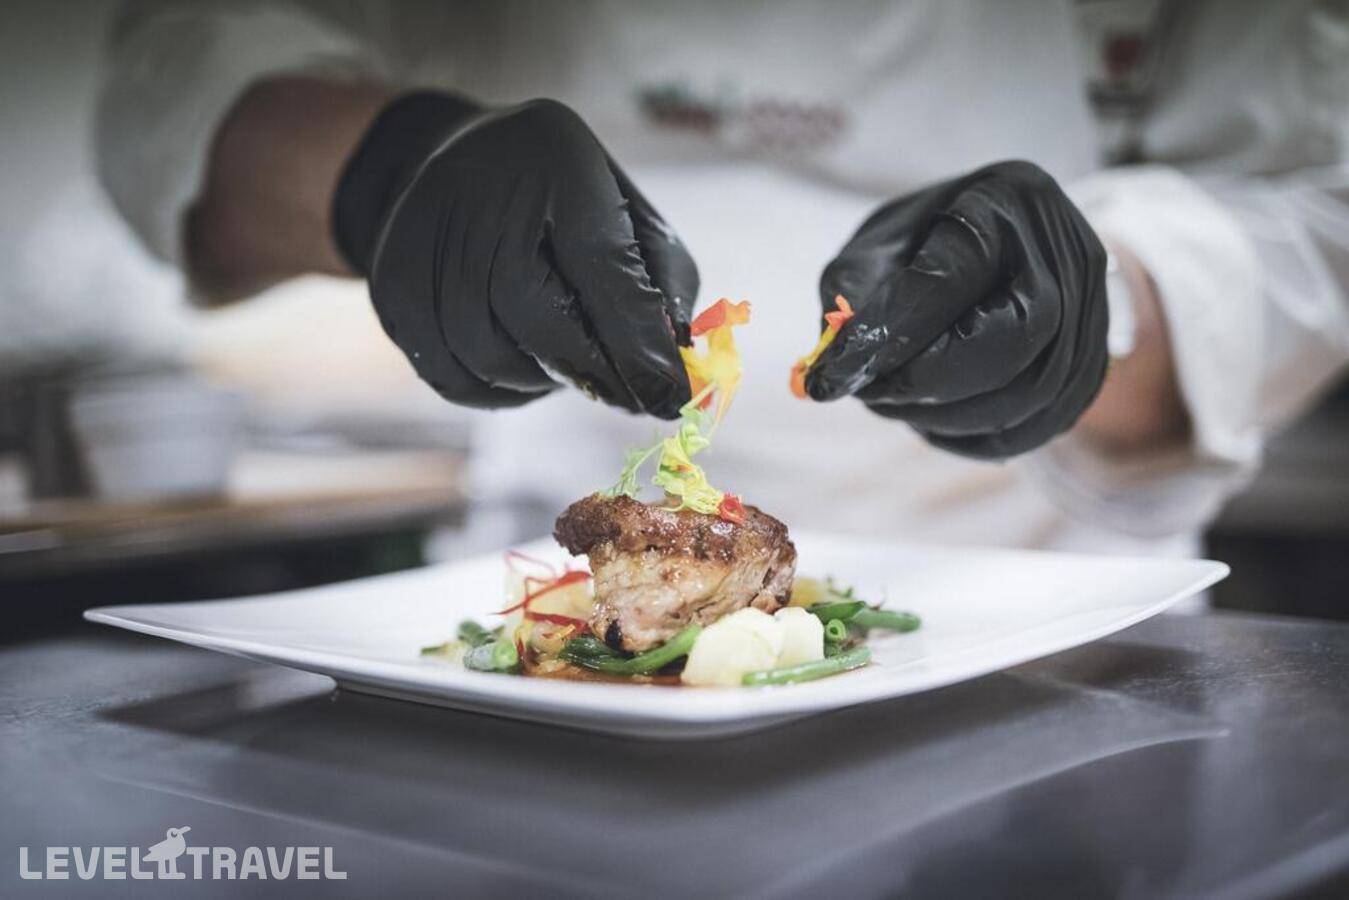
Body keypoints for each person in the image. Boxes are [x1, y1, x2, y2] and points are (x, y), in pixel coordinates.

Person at [96, 0, 1349, 558]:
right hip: (540, 590)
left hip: (1049, 601)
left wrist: (1094, 309)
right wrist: (389, 171)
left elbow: (1315, 214)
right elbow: (180, 62)